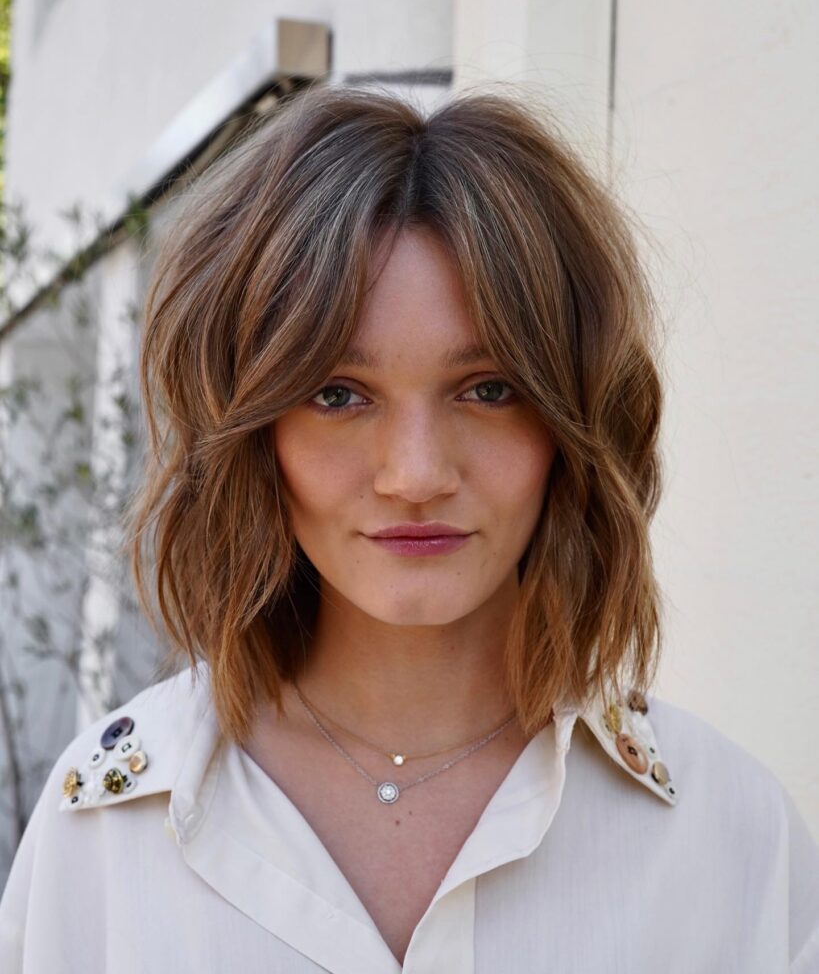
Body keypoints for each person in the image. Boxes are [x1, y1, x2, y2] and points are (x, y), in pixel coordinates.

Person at [1, 83, 817, 974]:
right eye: (338, 395)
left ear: (573, 420)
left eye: (488, 390)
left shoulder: (733, 840)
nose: (417, 474)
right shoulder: (103, 834)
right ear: (251, 432)